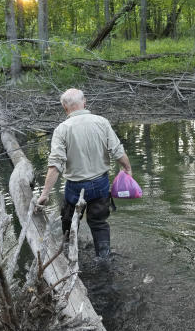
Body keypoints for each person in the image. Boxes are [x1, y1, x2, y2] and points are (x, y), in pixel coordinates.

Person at [36, 88, 131, 260]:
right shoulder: (102, 122)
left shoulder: (62, 129)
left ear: (65, 108)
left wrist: (44, 194)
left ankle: (67, 255)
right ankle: (104, 259)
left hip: (75, 187)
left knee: (69, 222)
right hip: (101, 184)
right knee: (99, 223)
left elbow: (55, 165)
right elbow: (117, 151)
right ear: (84, 102)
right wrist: (127, 169)